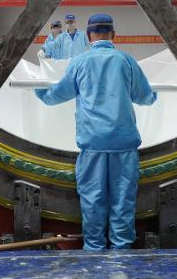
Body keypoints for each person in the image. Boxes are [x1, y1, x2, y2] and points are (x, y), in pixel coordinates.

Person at [35, 14, 158, 250]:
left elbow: (56, 96)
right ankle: (121, 254)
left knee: (92, 201)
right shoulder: (126, 61)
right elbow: (145, 97)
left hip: (93, 145)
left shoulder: (79, 63)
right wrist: (154, 95)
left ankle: (93, 253)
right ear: (114, 35)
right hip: (124, 145)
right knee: (123, 202)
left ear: (88, 36)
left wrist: (38, 89)